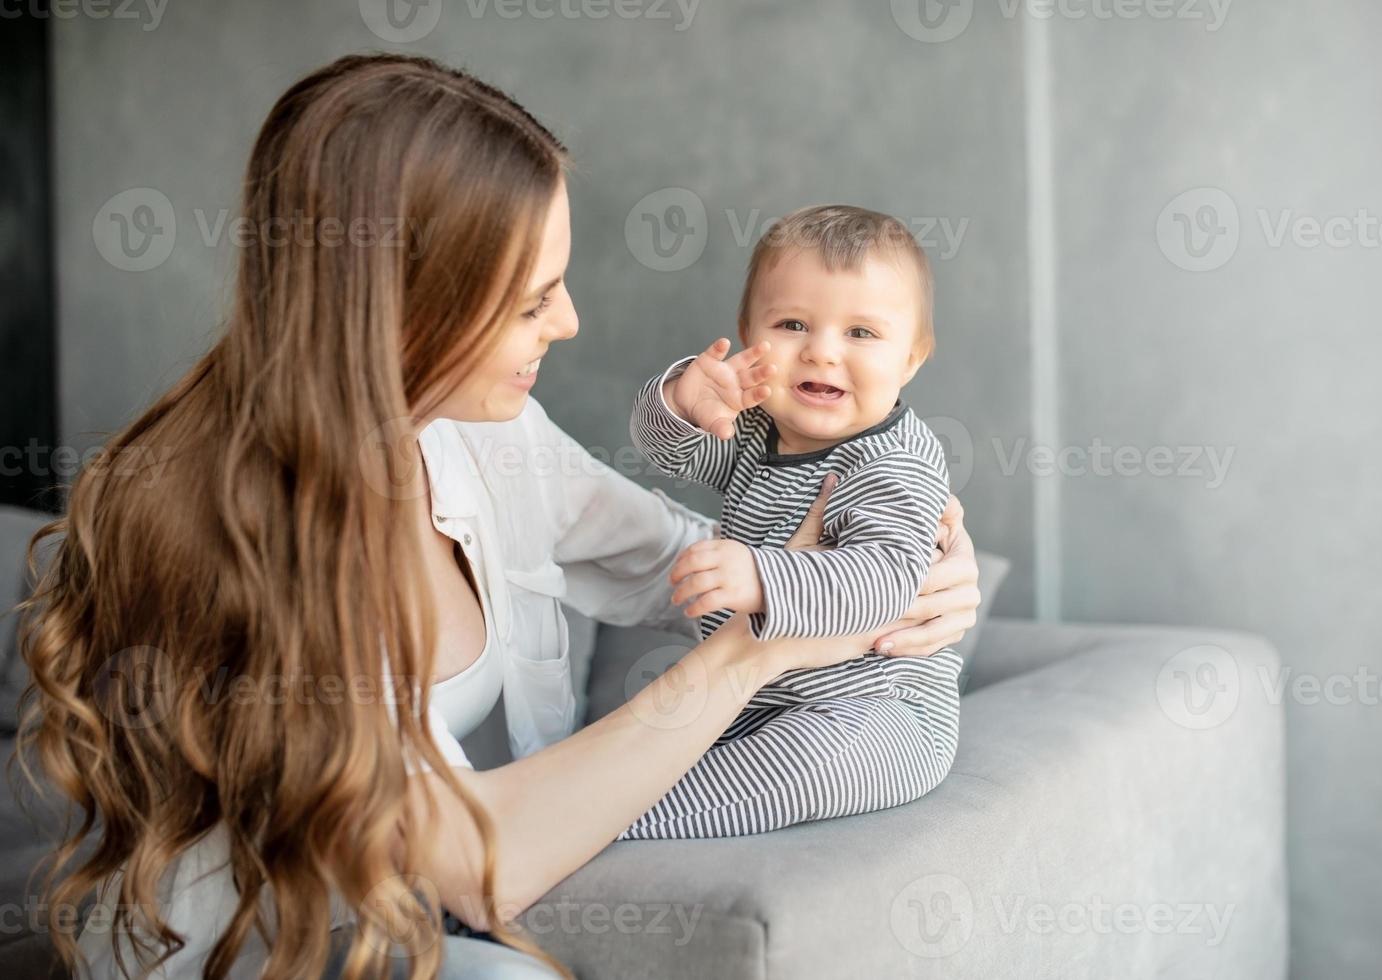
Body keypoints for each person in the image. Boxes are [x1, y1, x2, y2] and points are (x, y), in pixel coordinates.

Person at [16, 54, 982, 980]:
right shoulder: (263, 536)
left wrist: (903, 582)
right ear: (402, 309)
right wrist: (761, 646)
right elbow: (473, 869)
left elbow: (682, 564)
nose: (569, 324)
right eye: (532, 303)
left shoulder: (488, 438)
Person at [619, 205, 962, 840]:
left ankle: (621, 820)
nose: (822, 353)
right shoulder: (757, 428)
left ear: (911, 359)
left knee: (814, 761)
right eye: (793, 324)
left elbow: (882, 583)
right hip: (748, 696)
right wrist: (681, 405)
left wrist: (762, 577)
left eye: (861, 333)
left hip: (872, 707)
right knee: (645, 731)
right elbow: (670, 451)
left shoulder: (893, 461)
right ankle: (606, 797)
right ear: (749, 334)